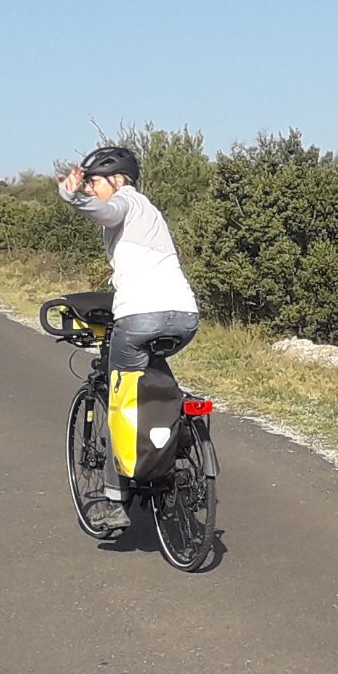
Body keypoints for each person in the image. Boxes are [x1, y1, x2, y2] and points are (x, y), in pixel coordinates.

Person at [60, 145, 199, 532]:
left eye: (94, 182)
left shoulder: (127, 201)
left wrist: (71, 194)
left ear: (117, 179)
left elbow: (107, 211)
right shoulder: (150, 213)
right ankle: (177, 441)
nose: (91, 188)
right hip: (184, 316)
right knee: (154, 383)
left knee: (121, 404)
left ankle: (114, 501)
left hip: (140, 317)